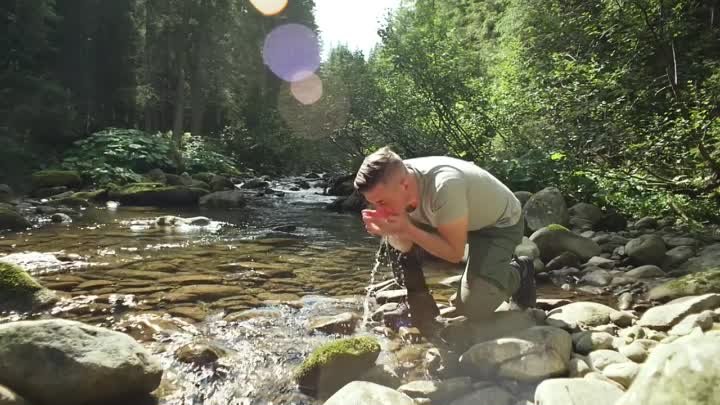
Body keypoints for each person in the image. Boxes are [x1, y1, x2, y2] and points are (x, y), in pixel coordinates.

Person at [354, 146, 536, 338]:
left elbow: (454, 253)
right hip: (450, 217)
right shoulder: (396, 181)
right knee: (393, 232)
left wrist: (406, 229)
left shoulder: (445, 185)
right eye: (373, 202)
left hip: (497, 225)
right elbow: (405, 248)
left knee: (473, 308)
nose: (377, 208)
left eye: (381, 202)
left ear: (405, 186)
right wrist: (395, 232)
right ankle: (421, 305)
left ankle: (520, 270)